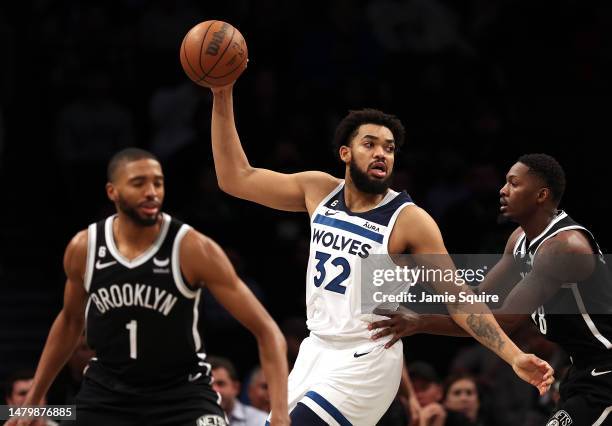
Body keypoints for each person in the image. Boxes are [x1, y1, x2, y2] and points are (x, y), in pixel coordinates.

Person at [209, 84, 553, 425]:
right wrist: (222, 92)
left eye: (389, 148)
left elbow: (460, 299)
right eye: (370, 144)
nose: (381, 154)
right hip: (316, 350)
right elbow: (235, 178)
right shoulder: (318, 190)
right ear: (345, 153)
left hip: (366, 359)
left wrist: (514, 356)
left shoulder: (410, 220)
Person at [11, 148, 289, 426]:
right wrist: (34, 398)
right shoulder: (85, 248)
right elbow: (70, 322)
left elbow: (267, 330)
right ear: (113, 192)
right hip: (108, 393)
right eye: (138, 183)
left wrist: (278, 414)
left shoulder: (192, 248)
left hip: (182, 393)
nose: (152, 192)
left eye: (158, 182)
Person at [371, 153, 612, 425]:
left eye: (514, 184)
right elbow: (476, 297)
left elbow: (504, 321)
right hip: (582, 368)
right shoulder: (519, 239)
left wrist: (421, 322)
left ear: (541, 195)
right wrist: (421, 271)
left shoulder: (564, 248)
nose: (502, 190)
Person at [209, 356, 268, 426]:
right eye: (208, 384)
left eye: (220, 384)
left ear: (236, 388)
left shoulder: (260, 420)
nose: (214, 389)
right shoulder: (193, 418)